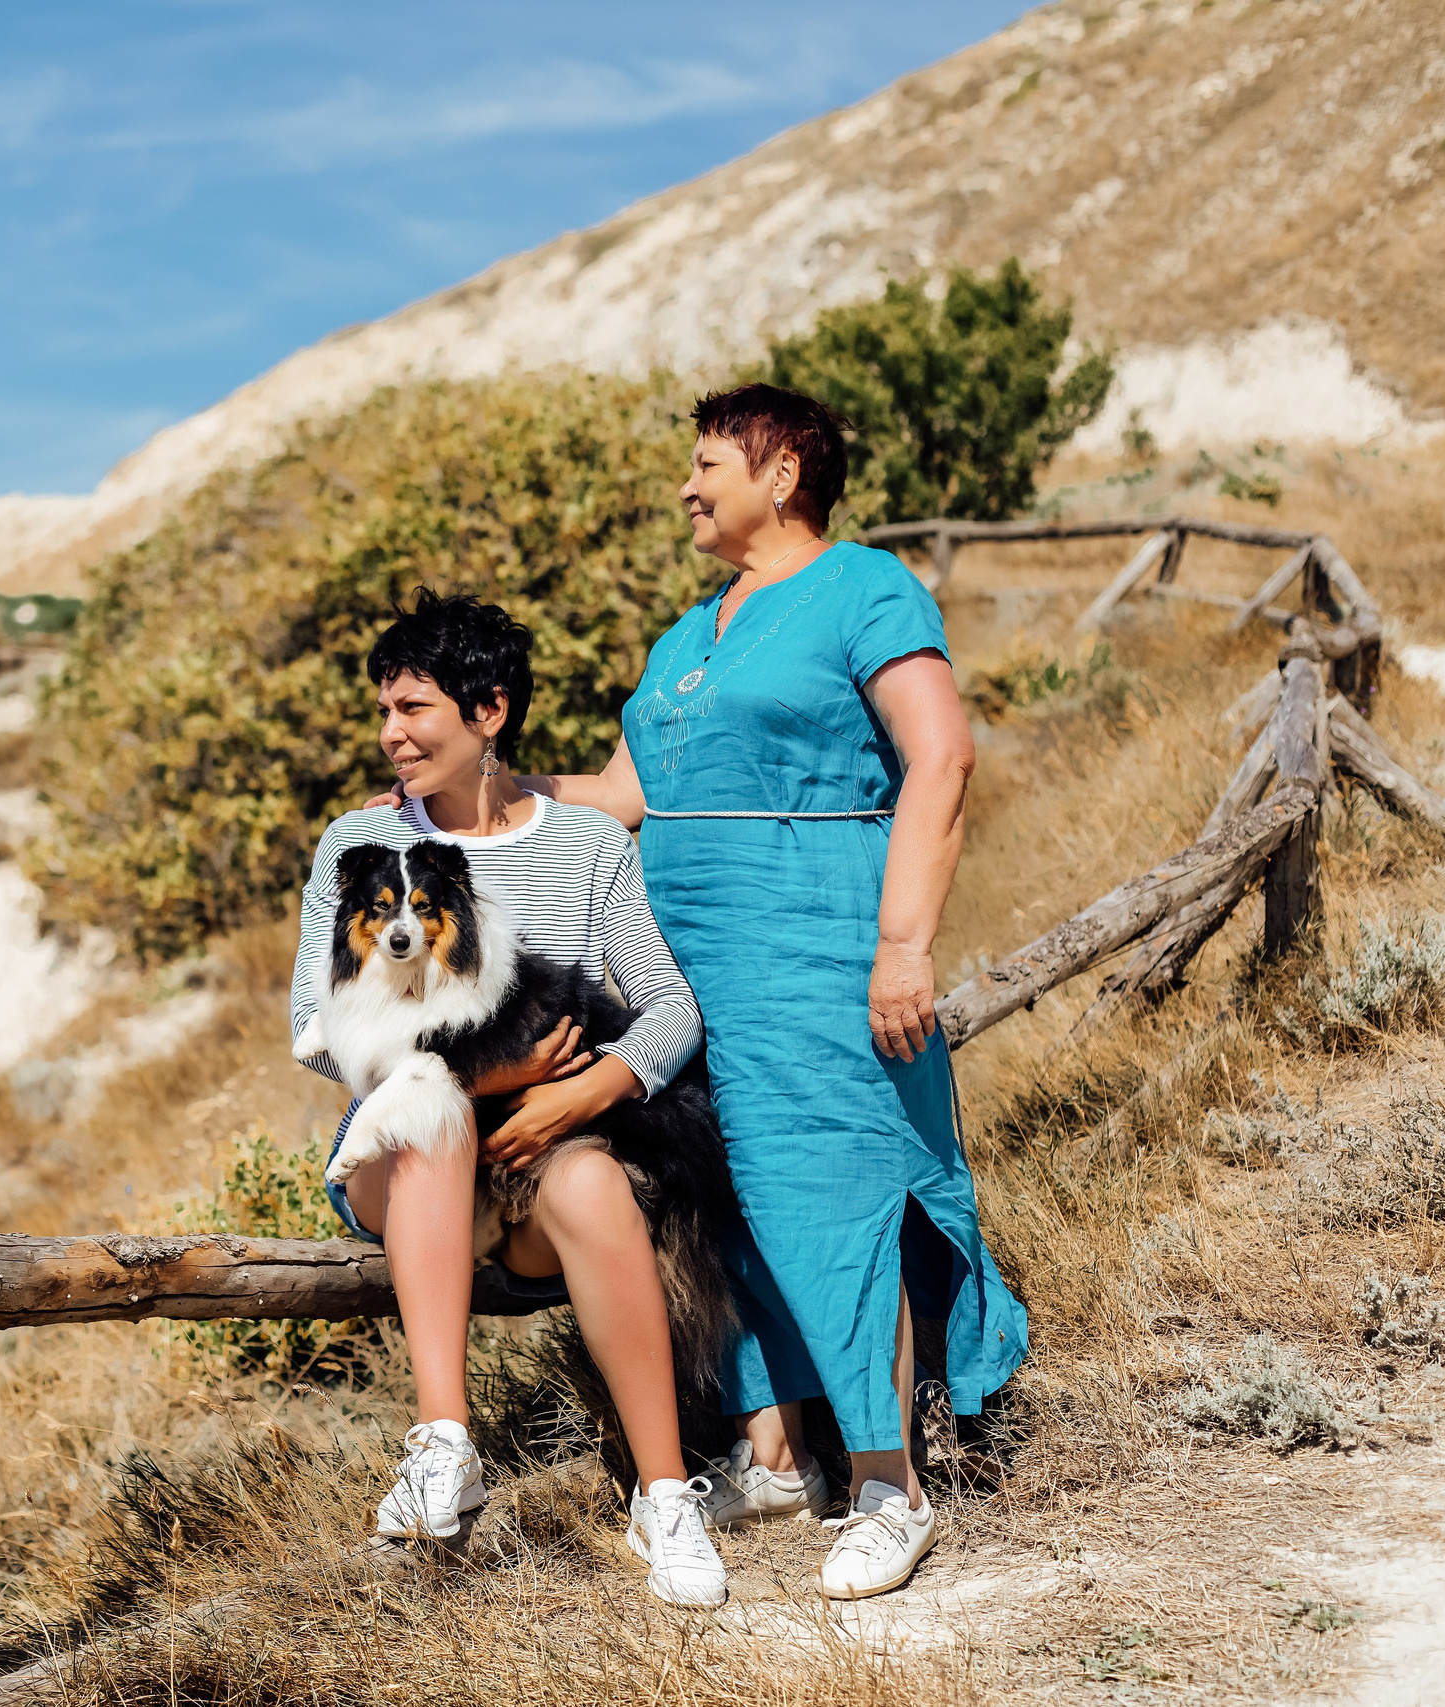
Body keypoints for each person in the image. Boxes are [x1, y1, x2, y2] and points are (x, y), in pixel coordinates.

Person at [523, 383, 1029, 1601]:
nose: (687, 487)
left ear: (783, 471)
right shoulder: (685, 635)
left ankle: (886, 1489)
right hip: (686, 967)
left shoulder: (864, 589)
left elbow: (940, 755)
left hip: (813, 947)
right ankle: (781, 1456)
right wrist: (475, 789)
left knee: (827, 1193)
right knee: (734, 1197)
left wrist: (902, 943)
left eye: (707, 463)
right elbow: (625, 796)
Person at [291, 592, 731, 1607]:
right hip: (403, 1169)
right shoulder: (358, 850)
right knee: (434, 1107)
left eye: (413, 710)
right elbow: (313, 1031)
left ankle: (665, 1498)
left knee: (590, 1192)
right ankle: (445, 1445)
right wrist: (494, 1080)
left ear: (488, 711)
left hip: (550, 1153)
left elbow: (667, 1006)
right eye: (385, 712)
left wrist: (582, 1093)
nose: (390, 734)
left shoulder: (584, 845)